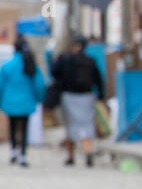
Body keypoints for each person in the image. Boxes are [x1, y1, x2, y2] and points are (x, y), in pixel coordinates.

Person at [51, 36, 104, 168]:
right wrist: (101, 97)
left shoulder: (65, 59)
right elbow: (99, 80)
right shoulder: (90, 60)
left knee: (70, 126)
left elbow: (54, 73)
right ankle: (88, 150)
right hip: (87, 97)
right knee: (86, 126)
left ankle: (70, 156)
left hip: (69, 96)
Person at [0, 36, 45, 167]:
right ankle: (23, 155)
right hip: (27, 101)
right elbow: (40, 85)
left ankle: (13, 151)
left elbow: (0, 85)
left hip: (10, 101)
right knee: (24, 128)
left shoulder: (7, 66)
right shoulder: (31, 65)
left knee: (12, 126)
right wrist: (38, 98)